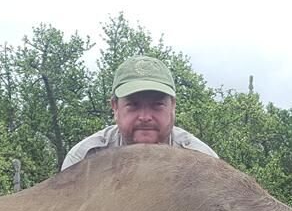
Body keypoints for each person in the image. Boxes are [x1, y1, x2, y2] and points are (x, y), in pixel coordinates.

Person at [60, 55, 217, 170]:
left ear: (173, 106)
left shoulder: (203, 161)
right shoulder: (83, 159)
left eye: (157, 105)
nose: (145, 117)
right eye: (133, 105)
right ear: (115, 106)